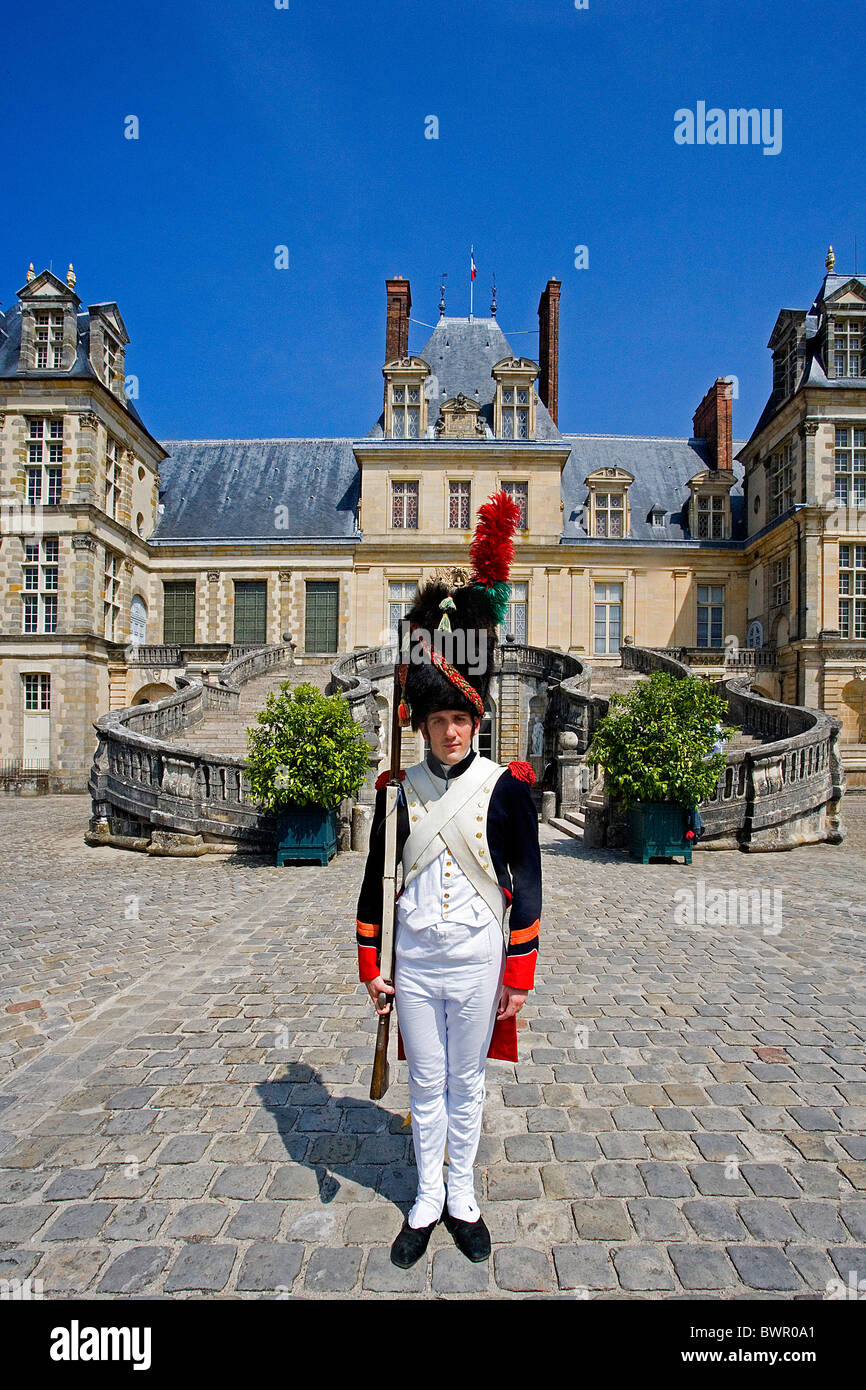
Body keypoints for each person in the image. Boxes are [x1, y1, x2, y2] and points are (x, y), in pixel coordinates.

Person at [355, 492, 542, 1268]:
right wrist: (371, 966)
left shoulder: (507, 789)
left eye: (462, 719)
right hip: (418, 964)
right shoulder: (397, 792)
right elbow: (375, 885)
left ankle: (461, 1192)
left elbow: (526, 881)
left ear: (474, 719)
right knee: (424, 1087)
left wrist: (520, 974)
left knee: (466, 1085)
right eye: (439, 720)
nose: (451, 729)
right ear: (423, 720)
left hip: (475, 961)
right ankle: (425, 1194)